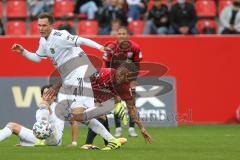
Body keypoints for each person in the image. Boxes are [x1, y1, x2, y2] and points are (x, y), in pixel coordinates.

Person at [11, 12, 122, 150]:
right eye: (39, 25)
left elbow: (81, 40)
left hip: (79, 73)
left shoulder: (60, 36)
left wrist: (99, 47)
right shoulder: (43, 41)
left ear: (51, 26)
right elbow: (38, 58)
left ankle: (112, 107)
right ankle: (112, 140)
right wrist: (23, 52)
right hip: (69, 78)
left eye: (44, 25)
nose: (41, 28)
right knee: (82, 117)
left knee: (77, 114)